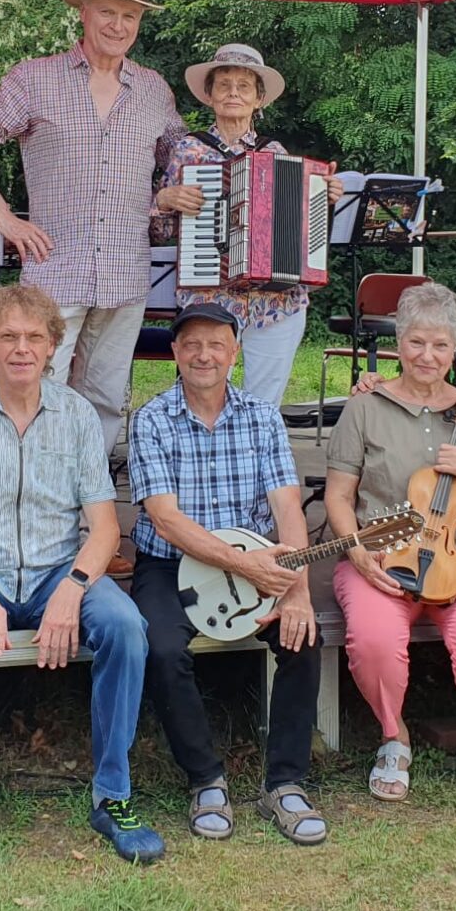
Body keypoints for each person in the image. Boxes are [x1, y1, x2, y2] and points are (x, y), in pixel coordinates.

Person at [0, 284, 161, 882]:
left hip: (57, 570)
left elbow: (105, 528)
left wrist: (73, 589)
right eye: (8, 337)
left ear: (53, 346)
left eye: (34, 337)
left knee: (126, 628)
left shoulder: (76, 414)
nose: (22, 348)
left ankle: (112, 796)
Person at [0, 0, 186, 452]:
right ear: (84, 12)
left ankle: (89, 492)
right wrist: (3, 217)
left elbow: (184, 165)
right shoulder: (35, 79)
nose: (118, 25)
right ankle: (30, 489)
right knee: (35, 390)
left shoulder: (154, 90)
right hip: (55, 270)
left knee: (105, 399)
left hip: (125, 271)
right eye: (107, 12)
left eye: (130, 16)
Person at [127, 301, 327, 845]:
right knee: (162, 648)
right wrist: (243, 564)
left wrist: (297, 591)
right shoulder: (151, 419)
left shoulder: (262, 417)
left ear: (235, 352)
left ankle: (285, 783)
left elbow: (288, 508)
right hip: (170, 564)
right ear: (174, 352)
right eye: (191, 344)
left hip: (256, 557)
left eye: (216, 344)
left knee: (302, 635)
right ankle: (206, 779)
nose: (204, 355)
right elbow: (165, 520)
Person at [324, 281, 456, 802]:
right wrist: (356, 551)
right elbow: (338, 496)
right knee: (373, 640)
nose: (427, 356)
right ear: (398, 343)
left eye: (440, 345)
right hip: (379, 553)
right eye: (416, 342)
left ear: (455, 349)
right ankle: (395, 736)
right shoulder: (366, 407)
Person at [152, 43, 342, 406]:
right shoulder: (189, 151)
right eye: (224, 85)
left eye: (244, 86)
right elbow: (161, 232)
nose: (233, 93)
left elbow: (300, 231)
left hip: (276, 302)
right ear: (209, 95)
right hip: (208, 296)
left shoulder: (275, 152)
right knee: (203, 399)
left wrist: (323, 196)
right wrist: (165, 200)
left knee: (263, 406)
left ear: (259, 99)